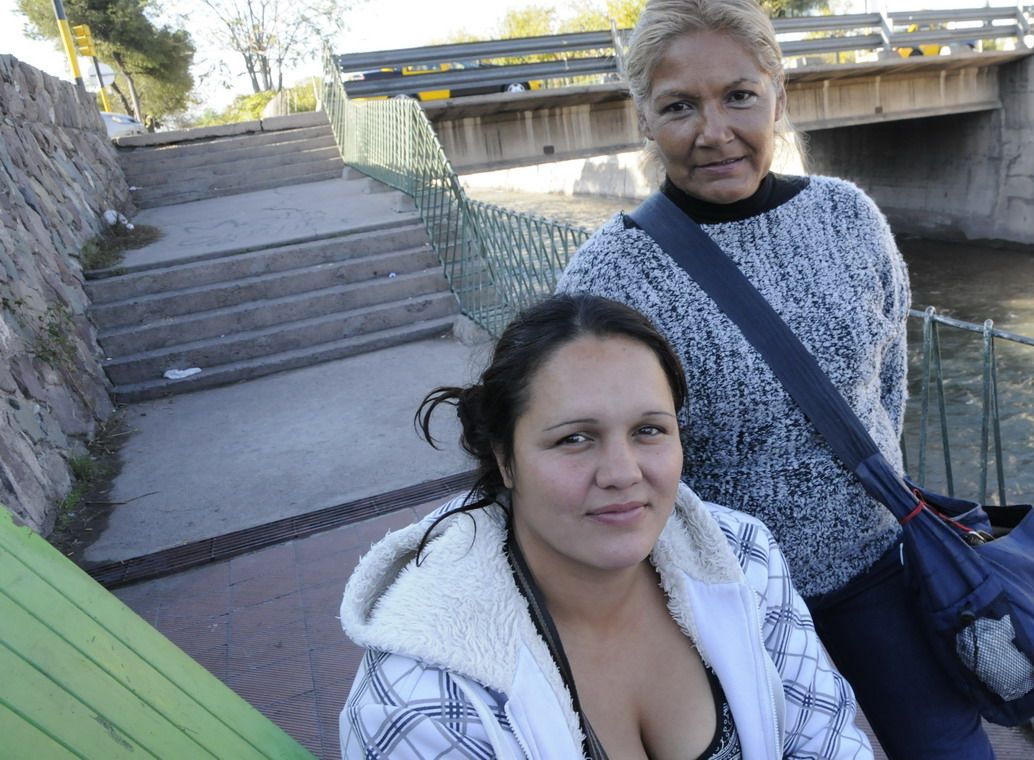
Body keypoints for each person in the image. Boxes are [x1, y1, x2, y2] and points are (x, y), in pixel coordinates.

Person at [556, 1, 996, 757]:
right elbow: (595, 456)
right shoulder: (607, 278)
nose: (714, 131)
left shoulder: (848, 217)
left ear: (778, 96)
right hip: (715, 605)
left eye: (738, 96)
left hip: (877, 574)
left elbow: (886, 383)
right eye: (679, 107)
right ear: (644, 121)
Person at [338, 294, 871, 759]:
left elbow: (826, 743)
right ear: (505, 459)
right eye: (575, 438)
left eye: (649, 430)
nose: (622, 473)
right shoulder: (422, 701)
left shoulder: (742, 557)